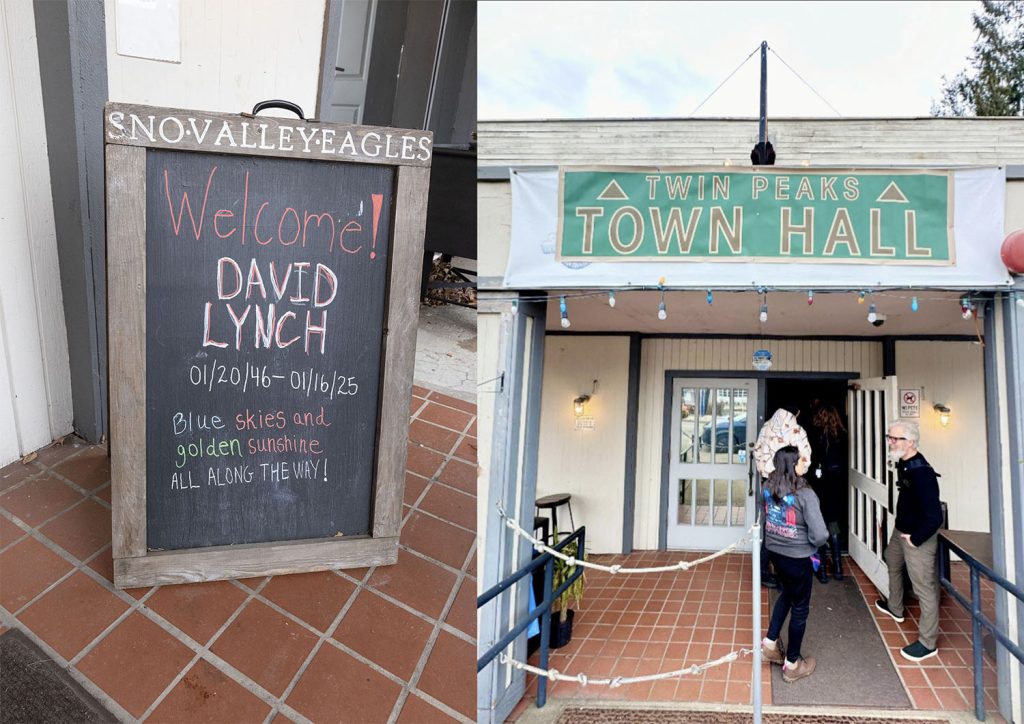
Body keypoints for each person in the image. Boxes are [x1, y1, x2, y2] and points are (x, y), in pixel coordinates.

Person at [874, 420, 944, 662]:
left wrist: (916, 538)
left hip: (917, 538)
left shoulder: (922, 473)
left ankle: (928, 642)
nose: (891, 442)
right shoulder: (904, 464)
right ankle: (895, 607)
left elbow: (935, 516)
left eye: (896, 439)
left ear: (911, 442)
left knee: (924, 587)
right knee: (891, 559)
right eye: (889, 437)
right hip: (901, 530)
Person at [759, 446, 829, 682]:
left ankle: (769, 644)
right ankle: (792, 664)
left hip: (776, 553)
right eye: (800, 458)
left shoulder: (767, 487)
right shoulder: (805, 494)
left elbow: (766, 517)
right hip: (798, 557)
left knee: (787, 594)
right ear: (791, 464)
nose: (805, 461)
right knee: (800, 608)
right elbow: (820, 534)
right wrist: (810, 545)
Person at [754, 405, 813, 588]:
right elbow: (805, 459)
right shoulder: (797, 431)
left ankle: (763, 572)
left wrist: (767, 473)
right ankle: (787, 572)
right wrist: (798, 474)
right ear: (796, 412)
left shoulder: (766, 427)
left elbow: (757, 452)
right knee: (790, 523)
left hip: (770, 483)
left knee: (770, 525)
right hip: (791, 483)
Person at [807, 402, 847, 582]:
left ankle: (821, 569)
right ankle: (838, 567)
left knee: (818, 526)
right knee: (833, 523)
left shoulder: (815, 436)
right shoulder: (842, 435)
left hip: (819, 485)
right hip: (837, 485)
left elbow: (811, 460)